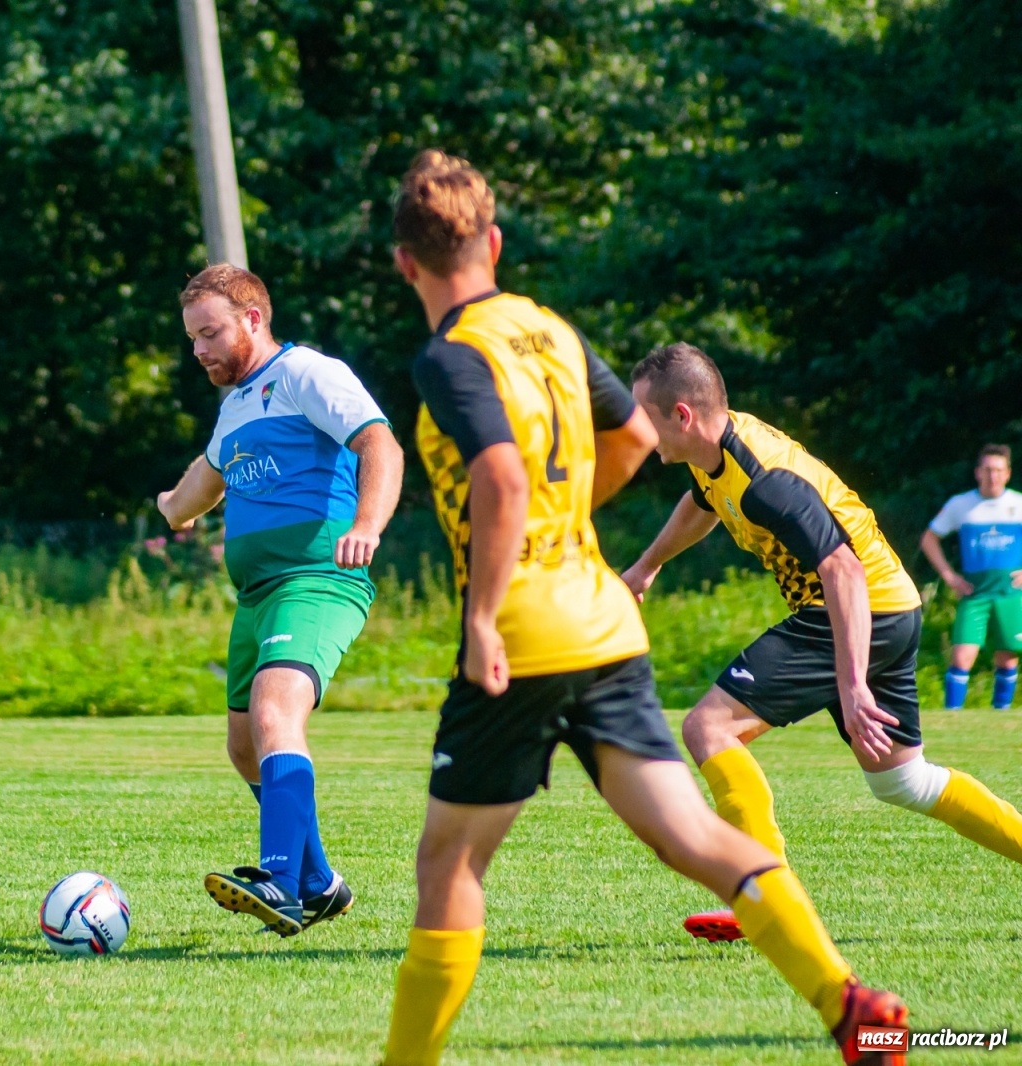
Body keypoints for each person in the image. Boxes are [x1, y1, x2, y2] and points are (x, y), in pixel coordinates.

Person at [381, 150, 905, 1066]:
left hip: (525, 636)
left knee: (449, 867)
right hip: (603, 624)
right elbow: (629, 436)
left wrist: (480, 617)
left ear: (404, 262)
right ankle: (843, 1001)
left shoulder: (448, 354)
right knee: (692, 835)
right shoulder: (547, 329)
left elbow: (502, 475)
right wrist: (566, 524)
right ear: (495, 242)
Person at [621, 343, 1022, 945]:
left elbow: (844, 570)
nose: (636, 432)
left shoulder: (767, 479)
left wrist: (852, 682)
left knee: (709, 728)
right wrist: (646, 568)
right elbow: (705, 501)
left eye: (642, 417)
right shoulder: (717, 454)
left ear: (681, 415)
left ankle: (762, 893)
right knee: (902, 782)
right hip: (889, 609)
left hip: (860, 610)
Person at [156, 263, 404, 936]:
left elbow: (380, 442)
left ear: (253, 320)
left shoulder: (307, 375)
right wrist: (173, 507)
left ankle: (280, 882)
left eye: (210, 333)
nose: (201, 350)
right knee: (244, 746)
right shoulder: (235, 405)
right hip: (257, 595)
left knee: (274, 711)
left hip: (317, 578)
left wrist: (367, 525)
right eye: (193, 339)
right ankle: (319, 883)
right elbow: (206, 480)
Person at [919, 444, 1022, 711]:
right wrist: (949, 576)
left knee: (1008, 657)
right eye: (987, 469)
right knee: (963, 655)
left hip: (1010, 593)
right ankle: (953, 714)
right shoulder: (961, 505)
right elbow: (930, 539)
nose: (993, 475)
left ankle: (1002, 713)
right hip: (975, 593)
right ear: (978, 472)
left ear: (1008, 473)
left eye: (998, 470)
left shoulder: (1017, 503)